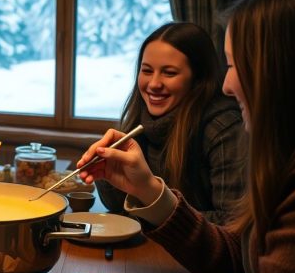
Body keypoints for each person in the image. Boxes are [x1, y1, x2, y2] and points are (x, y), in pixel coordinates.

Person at [77, 0, 295, 273]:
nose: (227, 85)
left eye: (236, 65)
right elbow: (240, 249)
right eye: (146, 70)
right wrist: (145, 188)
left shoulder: (228, 131)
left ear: (282, 73)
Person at [96, 22, 246, 224]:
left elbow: (231, 223)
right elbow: (117, 206)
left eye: (169, 73)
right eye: (147, 71)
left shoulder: (221, 128)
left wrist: (155, 209)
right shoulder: (138, 119)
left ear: (198, 78)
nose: (154, 84)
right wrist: (106, 173)